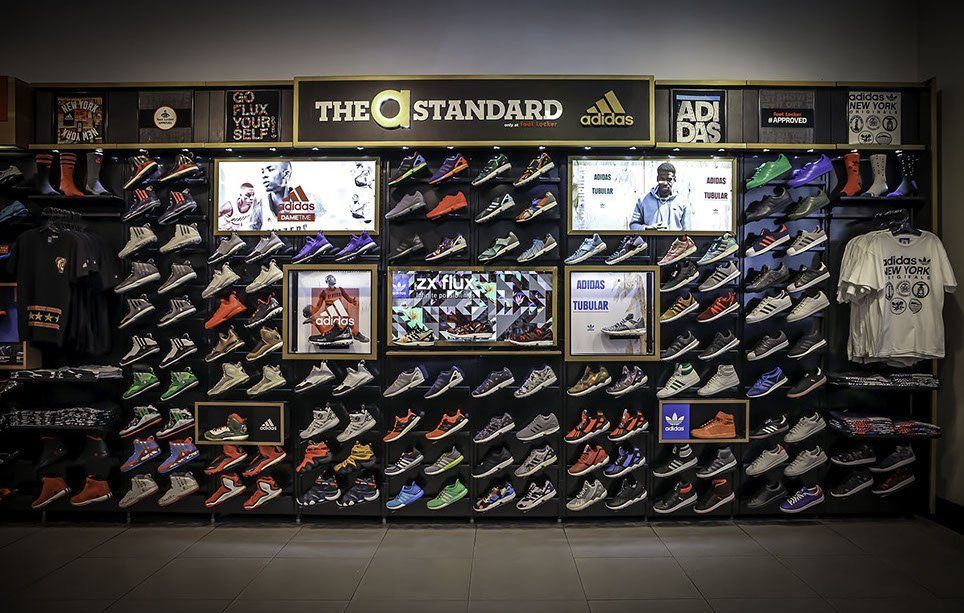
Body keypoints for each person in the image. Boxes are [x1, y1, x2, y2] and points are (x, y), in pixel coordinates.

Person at [629, 162, 692, 231]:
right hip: (650, 241)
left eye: (669, 179)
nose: (665, 183)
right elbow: (633, 225)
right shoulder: (643, 200)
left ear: (674, 179)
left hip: (675, 241)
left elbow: (687, 231)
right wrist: (646, 228)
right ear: (657, 179)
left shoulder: (683, 202)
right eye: (662, 179)